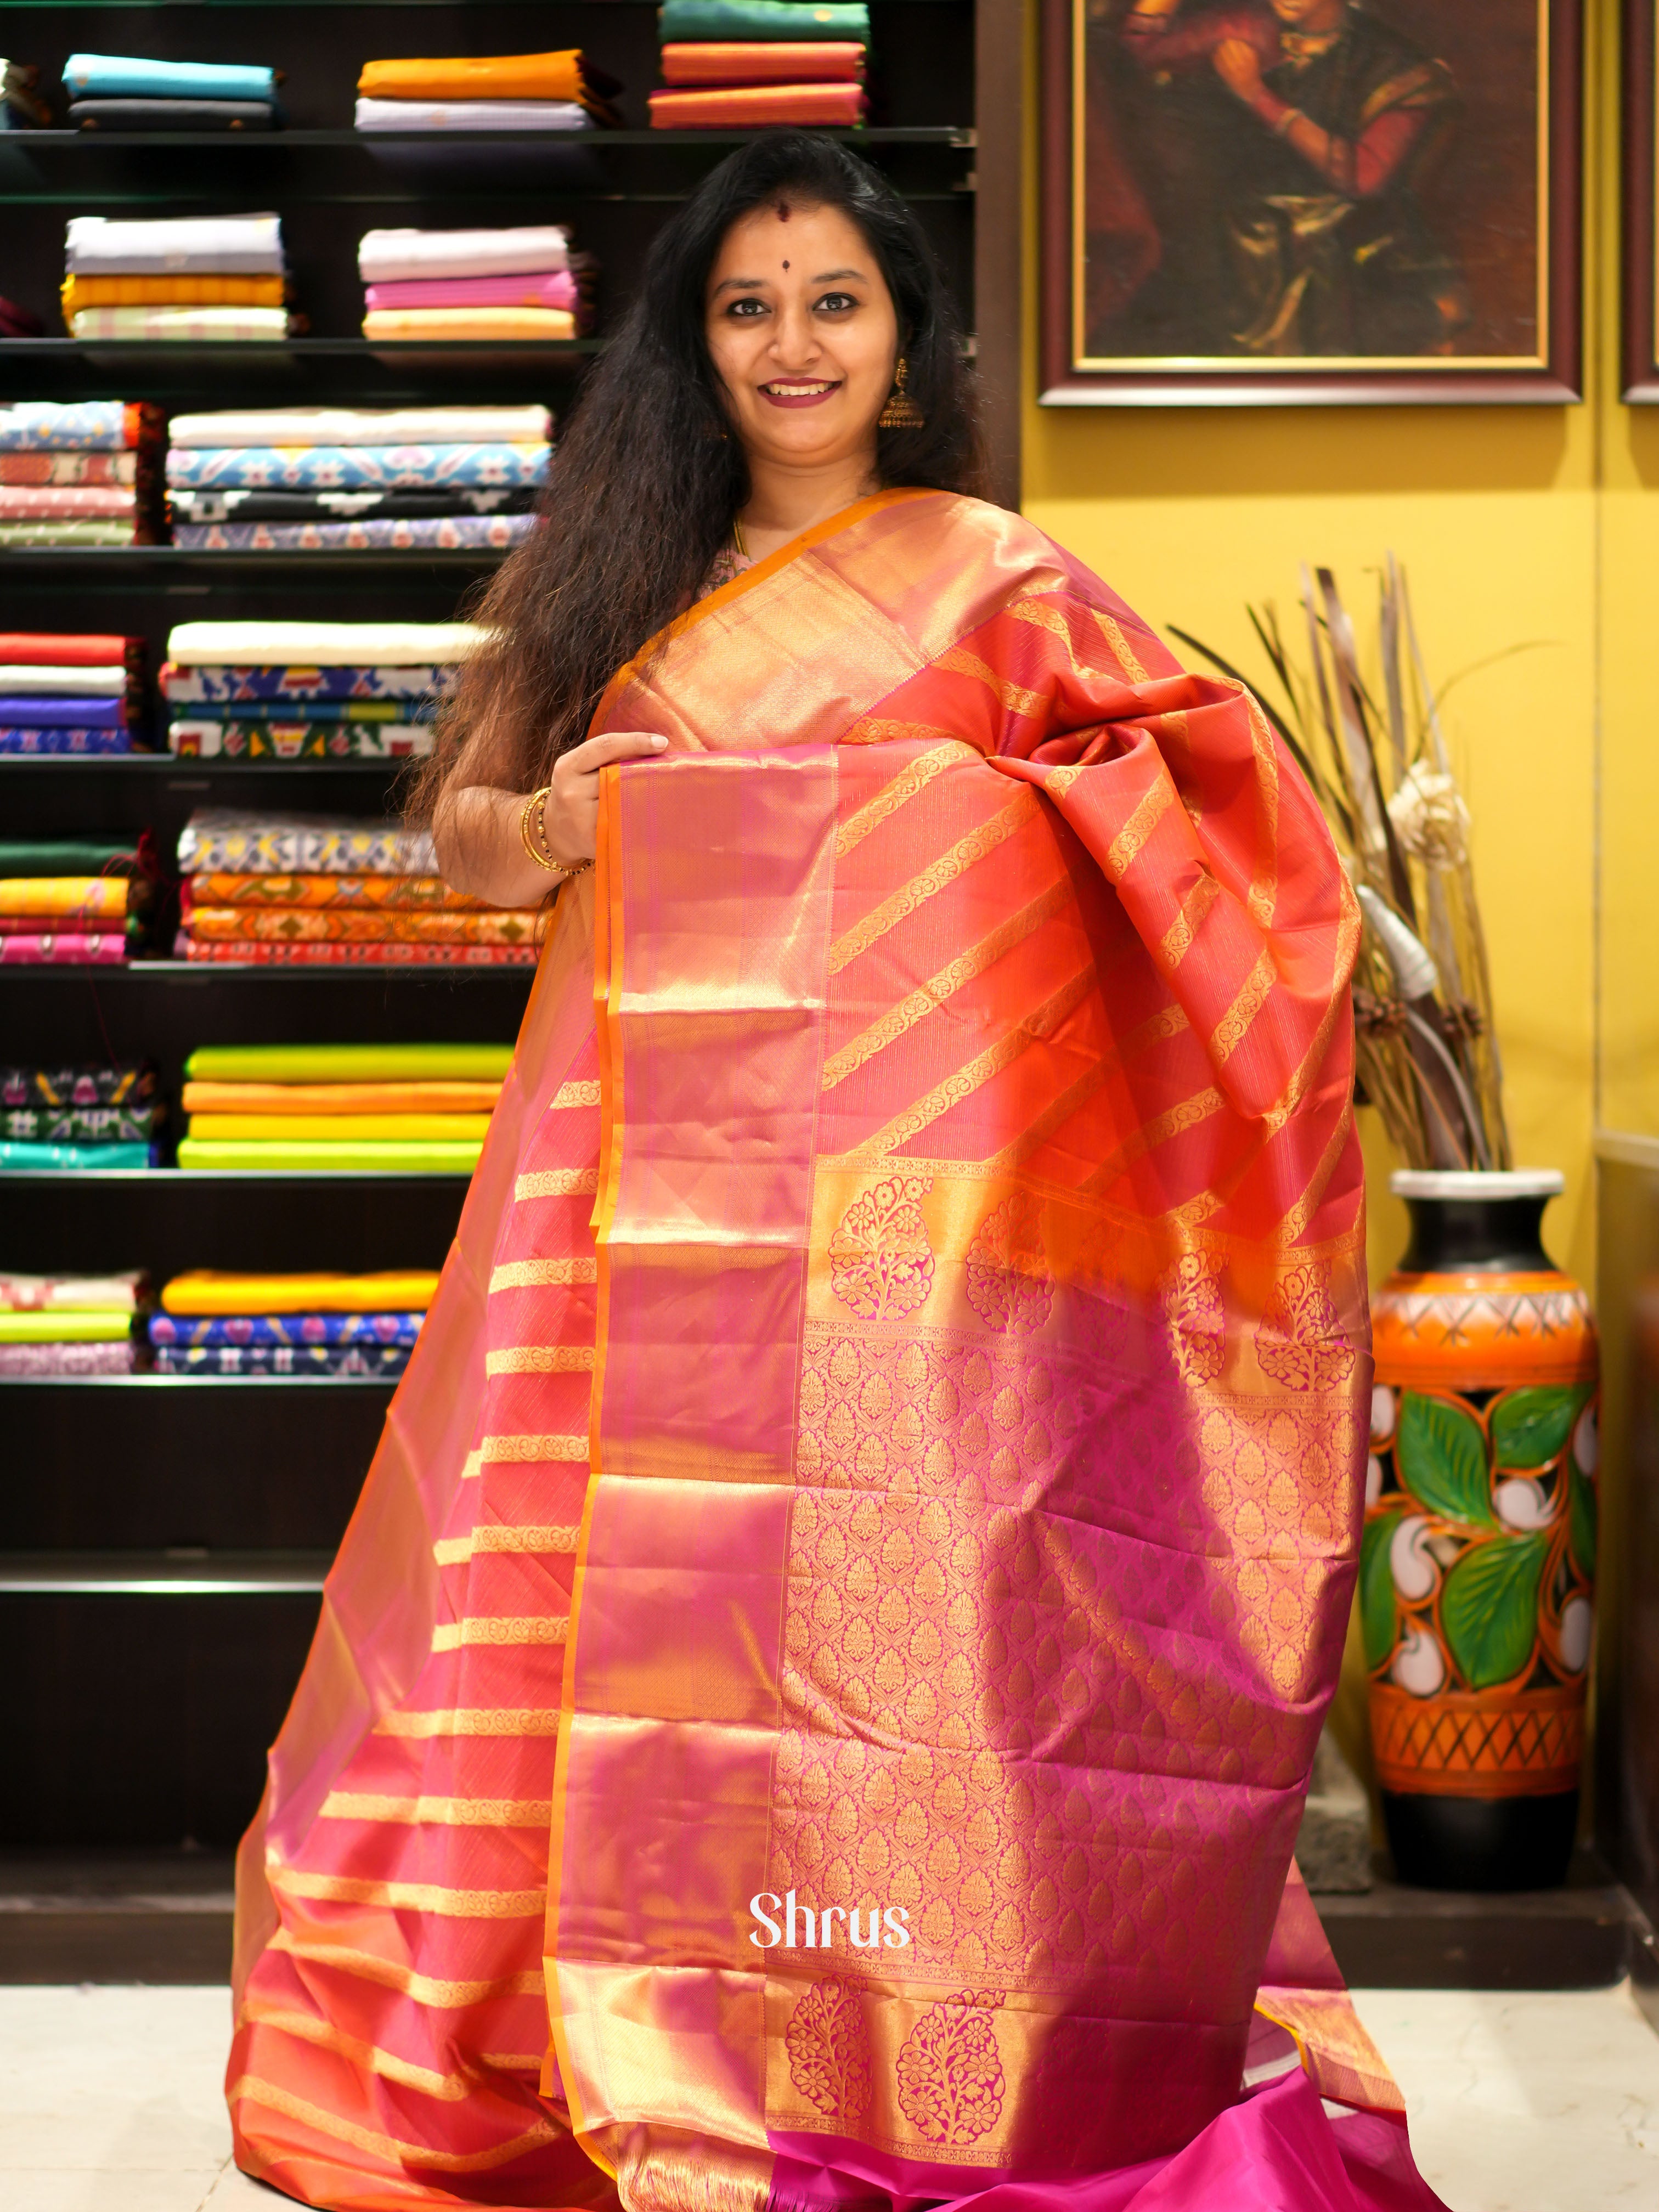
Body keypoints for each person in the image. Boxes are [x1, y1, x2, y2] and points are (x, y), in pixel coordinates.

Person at [225, 130, 1444, 2212]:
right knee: (579, 1631)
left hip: (903, 1253)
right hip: (621, 1225)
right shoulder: (621, 571)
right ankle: (558, 2050)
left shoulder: (991, 576)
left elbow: (1217, 831)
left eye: (832, 302)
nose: (790, 344)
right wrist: (567, 831)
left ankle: (881, 2049)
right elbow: (466, 836)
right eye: (744, 306)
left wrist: (955, 828)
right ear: (691, 350)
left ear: (902, 346)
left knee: (887, 1649)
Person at [1102, 0, 1463, 357]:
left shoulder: (1395, 65)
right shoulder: (1247, 25)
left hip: (1345, 245)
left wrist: (1257, 96)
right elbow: (1138, 50)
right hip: (1239, 236)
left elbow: (1363, 177)